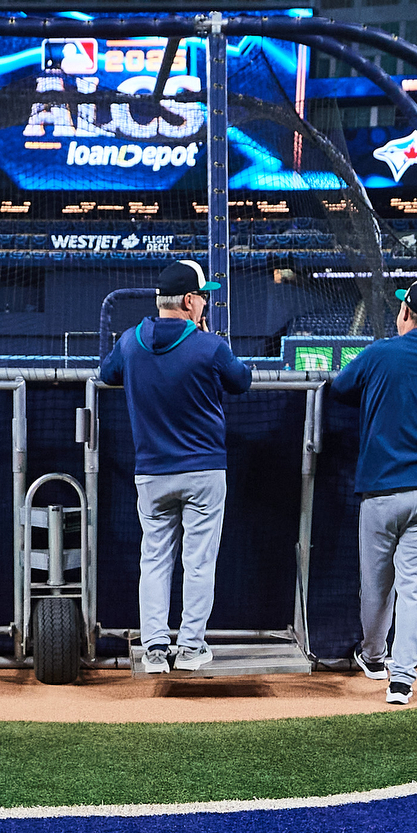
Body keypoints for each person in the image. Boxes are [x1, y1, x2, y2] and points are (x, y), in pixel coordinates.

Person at [96, 259, 253, 677]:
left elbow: (106, 373)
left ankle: (153, 651)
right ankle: (190, 648)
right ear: (188, 300)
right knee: (198, 562)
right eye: (203, 296)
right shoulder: (209, 345)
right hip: (203, 471)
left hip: (151, 472)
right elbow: (242, 380)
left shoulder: (131, 341)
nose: (205, 303)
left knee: (155, 560)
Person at [324, 277, 417, 705]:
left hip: (383, 489)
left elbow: (339, 388)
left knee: (377, 586)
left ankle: (373, 657)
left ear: (405, 310)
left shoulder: (379, 353)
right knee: (414, 587)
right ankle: (401, 681)